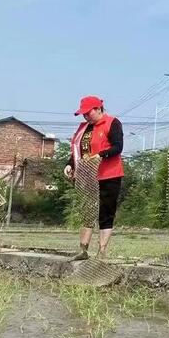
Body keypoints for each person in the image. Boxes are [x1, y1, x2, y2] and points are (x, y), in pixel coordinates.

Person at [64, 96, 124, 260]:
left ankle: (102, 251)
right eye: (83, 114)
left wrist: (100, 155)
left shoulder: (112, 123)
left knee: (106, 211)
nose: (85, 117)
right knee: (87, 211)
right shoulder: (84, 128)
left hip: (109, 174)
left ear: (98, 109)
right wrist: (70, 164)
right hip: (87, 176)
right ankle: (83, 249)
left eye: (88, 113)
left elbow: (118, 147)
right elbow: (78, 151)